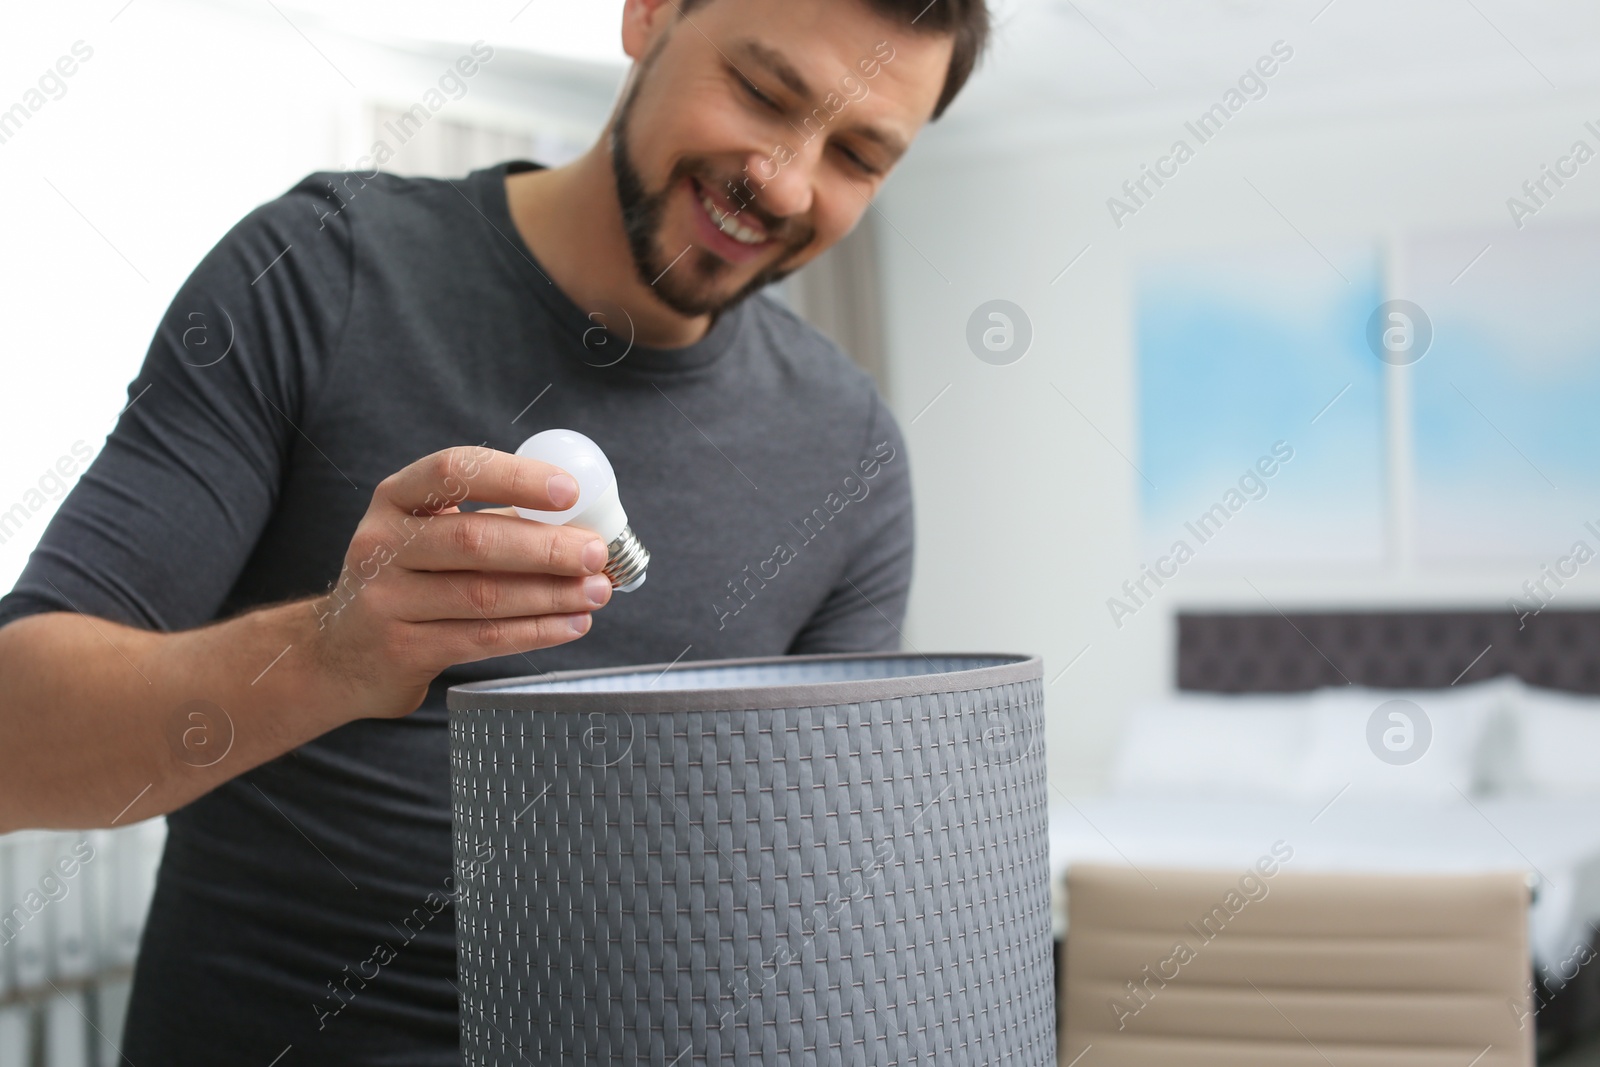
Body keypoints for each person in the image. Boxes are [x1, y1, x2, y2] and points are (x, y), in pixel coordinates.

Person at [0, 0, 990, 1061]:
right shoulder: (320, 273)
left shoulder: (850, 454)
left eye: (855, 154)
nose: (787, 183)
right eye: (763, 91)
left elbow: (828, 900)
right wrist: (330, 657)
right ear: (648, 13)